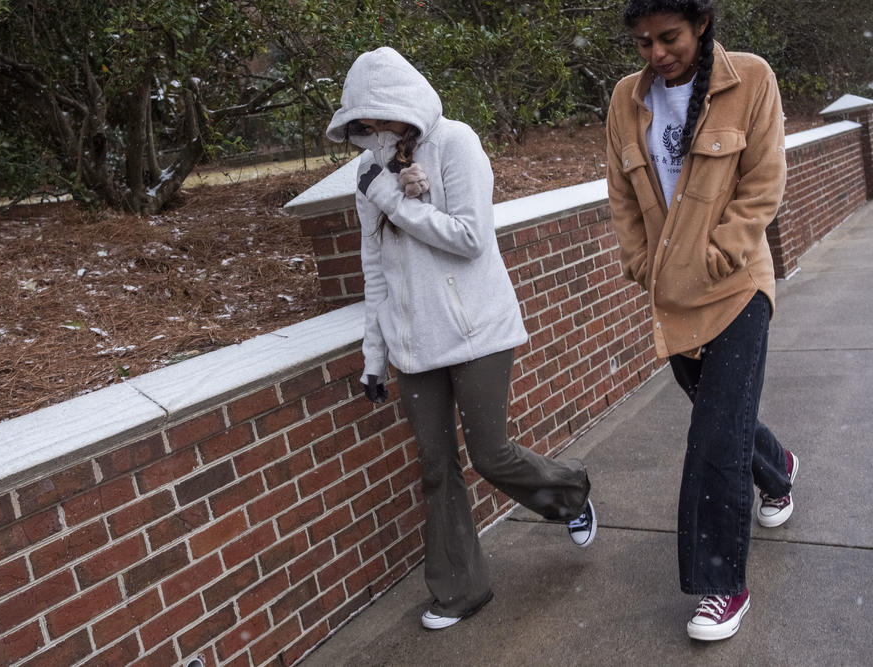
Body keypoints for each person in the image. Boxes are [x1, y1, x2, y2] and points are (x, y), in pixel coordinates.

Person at [325, 46, 597, 630]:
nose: (374, 130)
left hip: (476, 333)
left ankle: (570, 491)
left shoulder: (456, 143)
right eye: (364, 122)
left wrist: (395, 202)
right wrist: (375, 357)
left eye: (381, 116)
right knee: (435, 466)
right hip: (411, 344)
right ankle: (460, 591)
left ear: (405, 102)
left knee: (490, 455)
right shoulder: (369, 173)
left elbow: (471, 238)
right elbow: (375, 269)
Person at [606, 0, 799, 642]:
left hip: (738, 285)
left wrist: (723, 252)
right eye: (643, 43)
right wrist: (638, 262)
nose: (657, 54)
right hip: (672, 298)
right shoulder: (625, 103)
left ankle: (722, 586)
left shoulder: (750, 79)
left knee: (715, 439)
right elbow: (622, 195)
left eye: (669, 38)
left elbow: (764, 179)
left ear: (701, 27)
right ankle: (777, 468)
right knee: (726, 417)